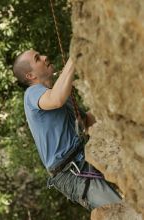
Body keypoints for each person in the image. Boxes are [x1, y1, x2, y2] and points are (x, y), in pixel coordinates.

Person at [12, 49, 122, 211]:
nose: (44, 57)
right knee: (120, 211)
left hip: (85, 157)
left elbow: (88, 122)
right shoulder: (32, 94)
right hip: (71, 171)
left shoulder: (58, 95)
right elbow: (56, 99)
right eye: (37, 59)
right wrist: (76, 53)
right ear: (30, 76)